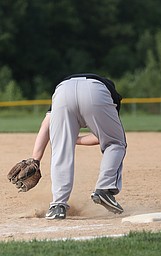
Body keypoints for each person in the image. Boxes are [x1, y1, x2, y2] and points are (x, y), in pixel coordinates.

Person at [31, 73, 127, 219]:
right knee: (116, 143)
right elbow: (104, 138)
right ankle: (105, 189)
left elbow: (46, 126)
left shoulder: (63, 90)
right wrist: (75, 139)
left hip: (63, 91)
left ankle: (58, 205)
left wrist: (35, 160)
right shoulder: (110, 89)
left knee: (60, 149)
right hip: (97, 91)